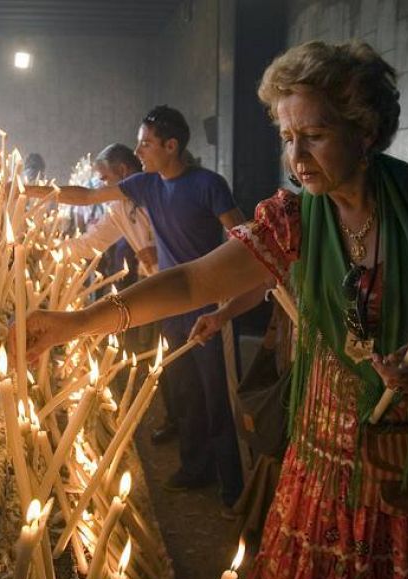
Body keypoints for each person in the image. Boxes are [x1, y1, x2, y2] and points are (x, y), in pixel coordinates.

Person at [14, 40, 408, 579]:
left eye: (316, 135)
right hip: (328, 444)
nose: (297, 157)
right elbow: (192, 281)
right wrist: (78, 322)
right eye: (287, 137)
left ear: (366, 131)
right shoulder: (296, 218)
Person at [28, 105, 246, 509]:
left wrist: (234, 298)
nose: (139, 149)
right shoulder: (146, 185)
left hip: (209, 303)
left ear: (171, 145)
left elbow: (242, 238)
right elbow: (88, 196)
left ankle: (234, 486)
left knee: (217, 395)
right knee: (182, 390)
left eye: (145, 143)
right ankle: (195, 467)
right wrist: (29, 191)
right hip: (170, 304)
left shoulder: (208, 184)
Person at [63, 143, 157, 276]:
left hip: (185, 284)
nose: (103, 186)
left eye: (105, 179)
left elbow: (87, 197)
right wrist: (54, 250)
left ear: (123, 170)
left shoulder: (159, 189)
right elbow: (92, 243)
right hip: (158, 283)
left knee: (121, 295)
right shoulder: (121, 207)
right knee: (116, 298)